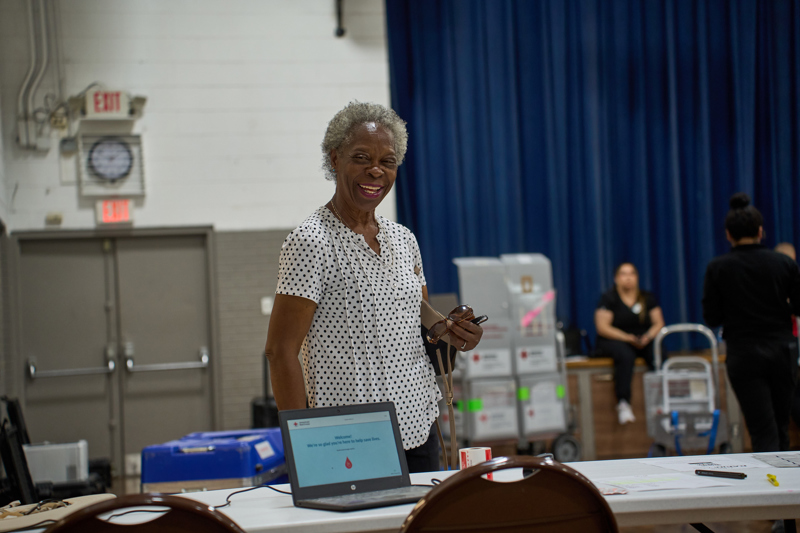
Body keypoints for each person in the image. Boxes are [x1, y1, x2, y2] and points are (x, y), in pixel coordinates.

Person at [263, 102, 483, 473]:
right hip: (350, 439)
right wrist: (303, 446)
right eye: (361, 158)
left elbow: (421, 330)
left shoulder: (404, 239)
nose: (376, 170)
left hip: (419, 427)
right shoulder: (311, 241)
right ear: (335, 159)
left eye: (387, 161)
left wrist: (455, 334)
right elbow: (280, 351)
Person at [702, 193, 800, 452]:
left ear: (728, 235)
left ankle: (769, 477)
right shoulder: (784, 263)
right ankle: (785, 477)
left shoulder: (718, 267)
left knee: (762, 430)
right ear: (760, 231)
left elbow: (712, 317)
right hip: (782, 351)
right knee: (781, 427)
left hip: (744, 353)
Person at [594, 262, 665, 425]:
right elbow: (602, 327)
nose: (628, 278)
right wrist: (627, 338)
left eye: (632, 273)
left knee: (658, 352)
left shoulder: (647, 297)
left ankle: (663, 401)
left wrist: (647, 337)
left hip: (642, 338)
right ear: (616, 278)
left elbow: (659, 322)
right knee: (625, 355)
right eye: (623, 274)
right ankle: (623, 402)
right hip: (617, 339)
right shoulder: (609, 298)